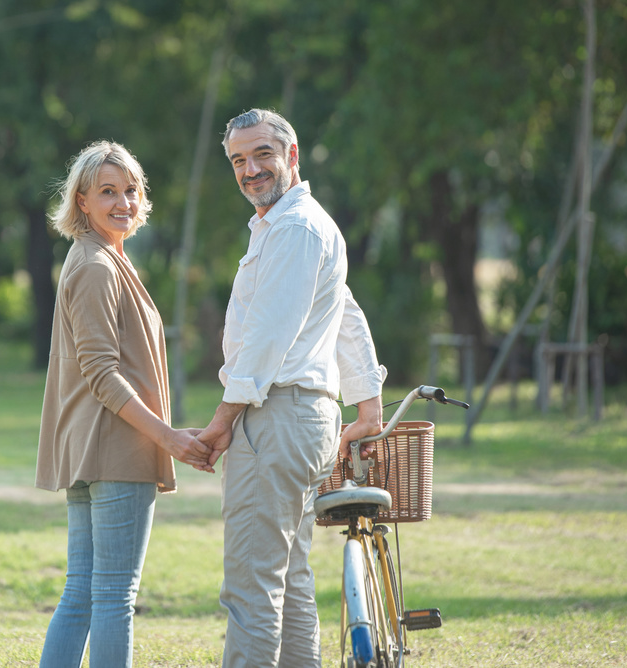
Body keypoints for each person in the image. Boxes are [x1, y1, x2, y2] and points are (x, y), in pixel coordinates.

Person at [198, 109, 388, 667]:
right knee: (290, 582)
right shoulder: (295, 225)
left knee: (252, 589)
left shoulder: (295, 227)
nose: (250, 170)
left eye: (262, 154)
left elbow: (267, 338)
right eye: (238, 160)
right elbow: (344, 311)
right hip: (304, 423)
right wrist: (369, 403)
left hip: (278, 418)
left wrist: (221, 420)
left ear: (293, 154)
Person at [36, 140, 211, 668]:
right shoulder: (95, 265)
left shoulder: (105, 257)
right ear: (82, 201)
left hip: (98, 451)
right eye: (107, 191)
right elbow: (102, 374)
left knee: (85, 593)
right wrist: (169, 436)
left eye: (131, 190)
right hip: (115, 450)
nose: (123, 202)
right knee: (112, 596)